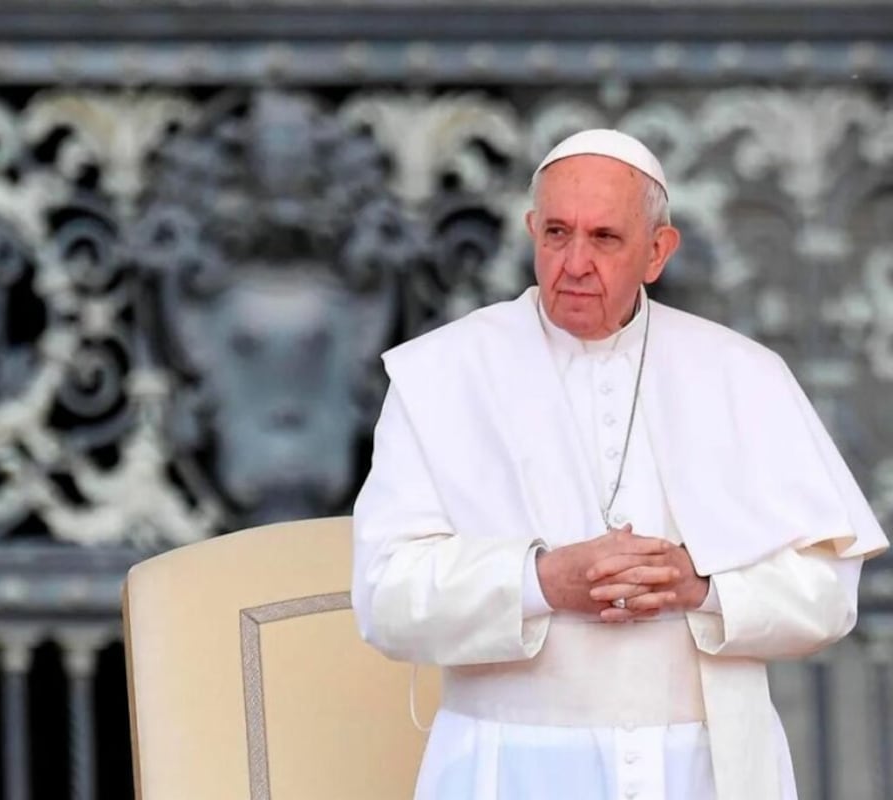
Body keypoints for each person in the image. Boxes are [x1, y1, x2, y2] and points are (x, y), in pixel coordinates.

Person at [351, 128, 888, 800]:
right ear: (530, 231)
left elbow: (827, 597)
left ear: (658, 251)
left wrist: (699, 586)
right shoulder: (440, 375)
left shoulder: (741, 374)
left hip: (705, 771)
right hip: (508, 770)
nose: (574, 262)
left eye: (604, 237)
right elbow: (384, 598)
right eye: (555, 233)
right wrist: (541, 580)